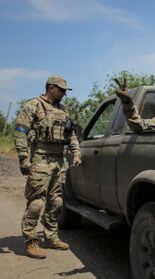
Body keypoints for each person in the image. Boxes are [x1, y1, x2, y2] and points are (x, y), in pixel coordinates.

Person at [14, 75, 81, 259]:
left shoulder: (63, 109)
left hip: (58, 161)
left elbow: (71, 133)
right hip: (40, 159)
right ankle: (30, 241)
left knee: (57, 202)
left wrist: (76, 153)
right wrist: (23, 158)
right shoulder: (33, 105)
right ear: (51, 88)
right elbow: (20, 132)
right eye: (62, 90)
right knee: (36, 203)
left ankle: (51, 237)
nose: (64, 94)